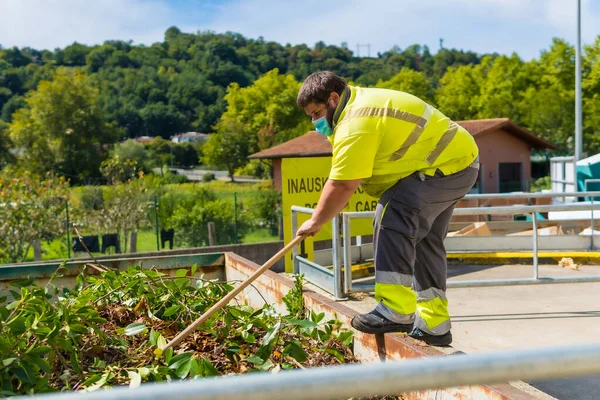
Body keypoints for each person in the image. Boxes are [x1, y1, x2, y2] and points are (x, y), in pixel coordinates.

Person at [295, 71, 479, 346]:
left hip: (444, 167)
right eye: (310, 115)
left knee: (391, 214)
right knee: (425, 241)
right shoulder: (356, 105)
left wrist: (316, 221)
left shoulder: (356, 121)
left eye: (317, 112)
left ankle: (395, 309)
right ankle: (435, 324)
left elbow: (342, 185)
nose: (315, 121)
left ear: (334, 98)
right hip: (458, 164)